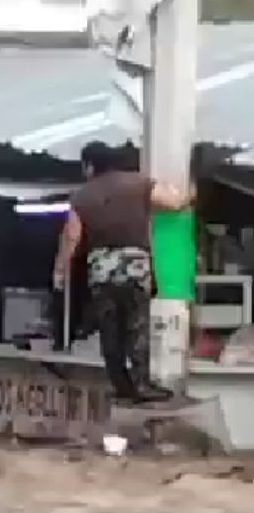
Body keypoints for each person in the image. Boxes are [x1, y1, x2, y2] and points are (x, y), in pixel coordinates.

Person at [53, 141, 190, 405]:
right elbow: (174, 202)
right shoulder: (139, 183)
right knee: (137, 325)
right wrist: (192, 190)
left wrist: (60, 270)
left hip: (102, 270)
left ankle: (121, 385)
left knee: (110, 329)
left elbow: (72, 236)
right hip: (135, 266)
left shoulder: (81, 196)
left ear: (90, 166)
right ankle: (142, 384)